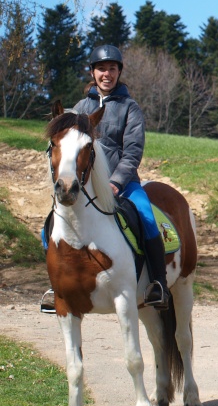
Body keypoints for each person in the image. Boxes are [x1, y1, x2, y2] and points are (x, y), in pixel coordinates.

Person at [41, 45, 171, 313]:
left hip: (123, 185)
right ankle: (57, 287)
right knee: (49, 226)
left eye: (112, 68)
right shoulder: (80, 108)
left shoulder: (130, 108)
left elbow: (133, 150)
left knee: (147, 217)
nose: (107, 74)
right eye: (101, 69)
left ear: (119, 72)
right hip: (86, 187)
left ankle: (158, 283)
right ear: (92, 72)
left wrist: (116, 182)